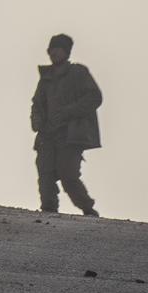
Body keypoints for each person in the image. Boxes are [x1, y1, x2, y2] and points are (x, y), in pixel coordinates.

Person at [30, 33, 101, 216]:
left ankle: (87, 208)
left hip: (70, 135)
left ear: (66, 52)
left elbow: (94, 97)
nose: (54, 53)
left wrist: (69, 112)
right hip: (47, 134)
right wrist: (36, 120)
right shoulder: (46, 77)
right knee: (45, 175)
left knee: (68, 174)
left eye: (58, 50)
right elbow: (37, 103)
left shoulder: (78, 73)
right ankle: (48, 210)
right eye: (52, 50)